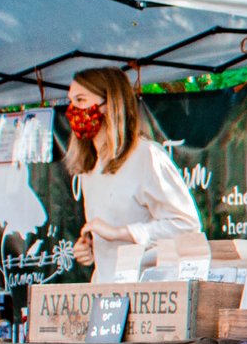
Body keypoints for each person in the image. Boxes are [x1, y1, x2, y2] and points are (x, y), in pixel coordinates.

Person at [61, 67, 201, 270]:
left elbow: (187, 225)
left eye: (80, 100)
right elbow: (107, 235)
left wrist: (122, 233)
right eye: (70, 101)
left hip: (143, 289)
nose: (72, 110)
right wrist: (90, 247)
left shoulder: (146, 156)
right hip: (105, 290)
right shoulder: (89, 168)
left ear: (109, 104)